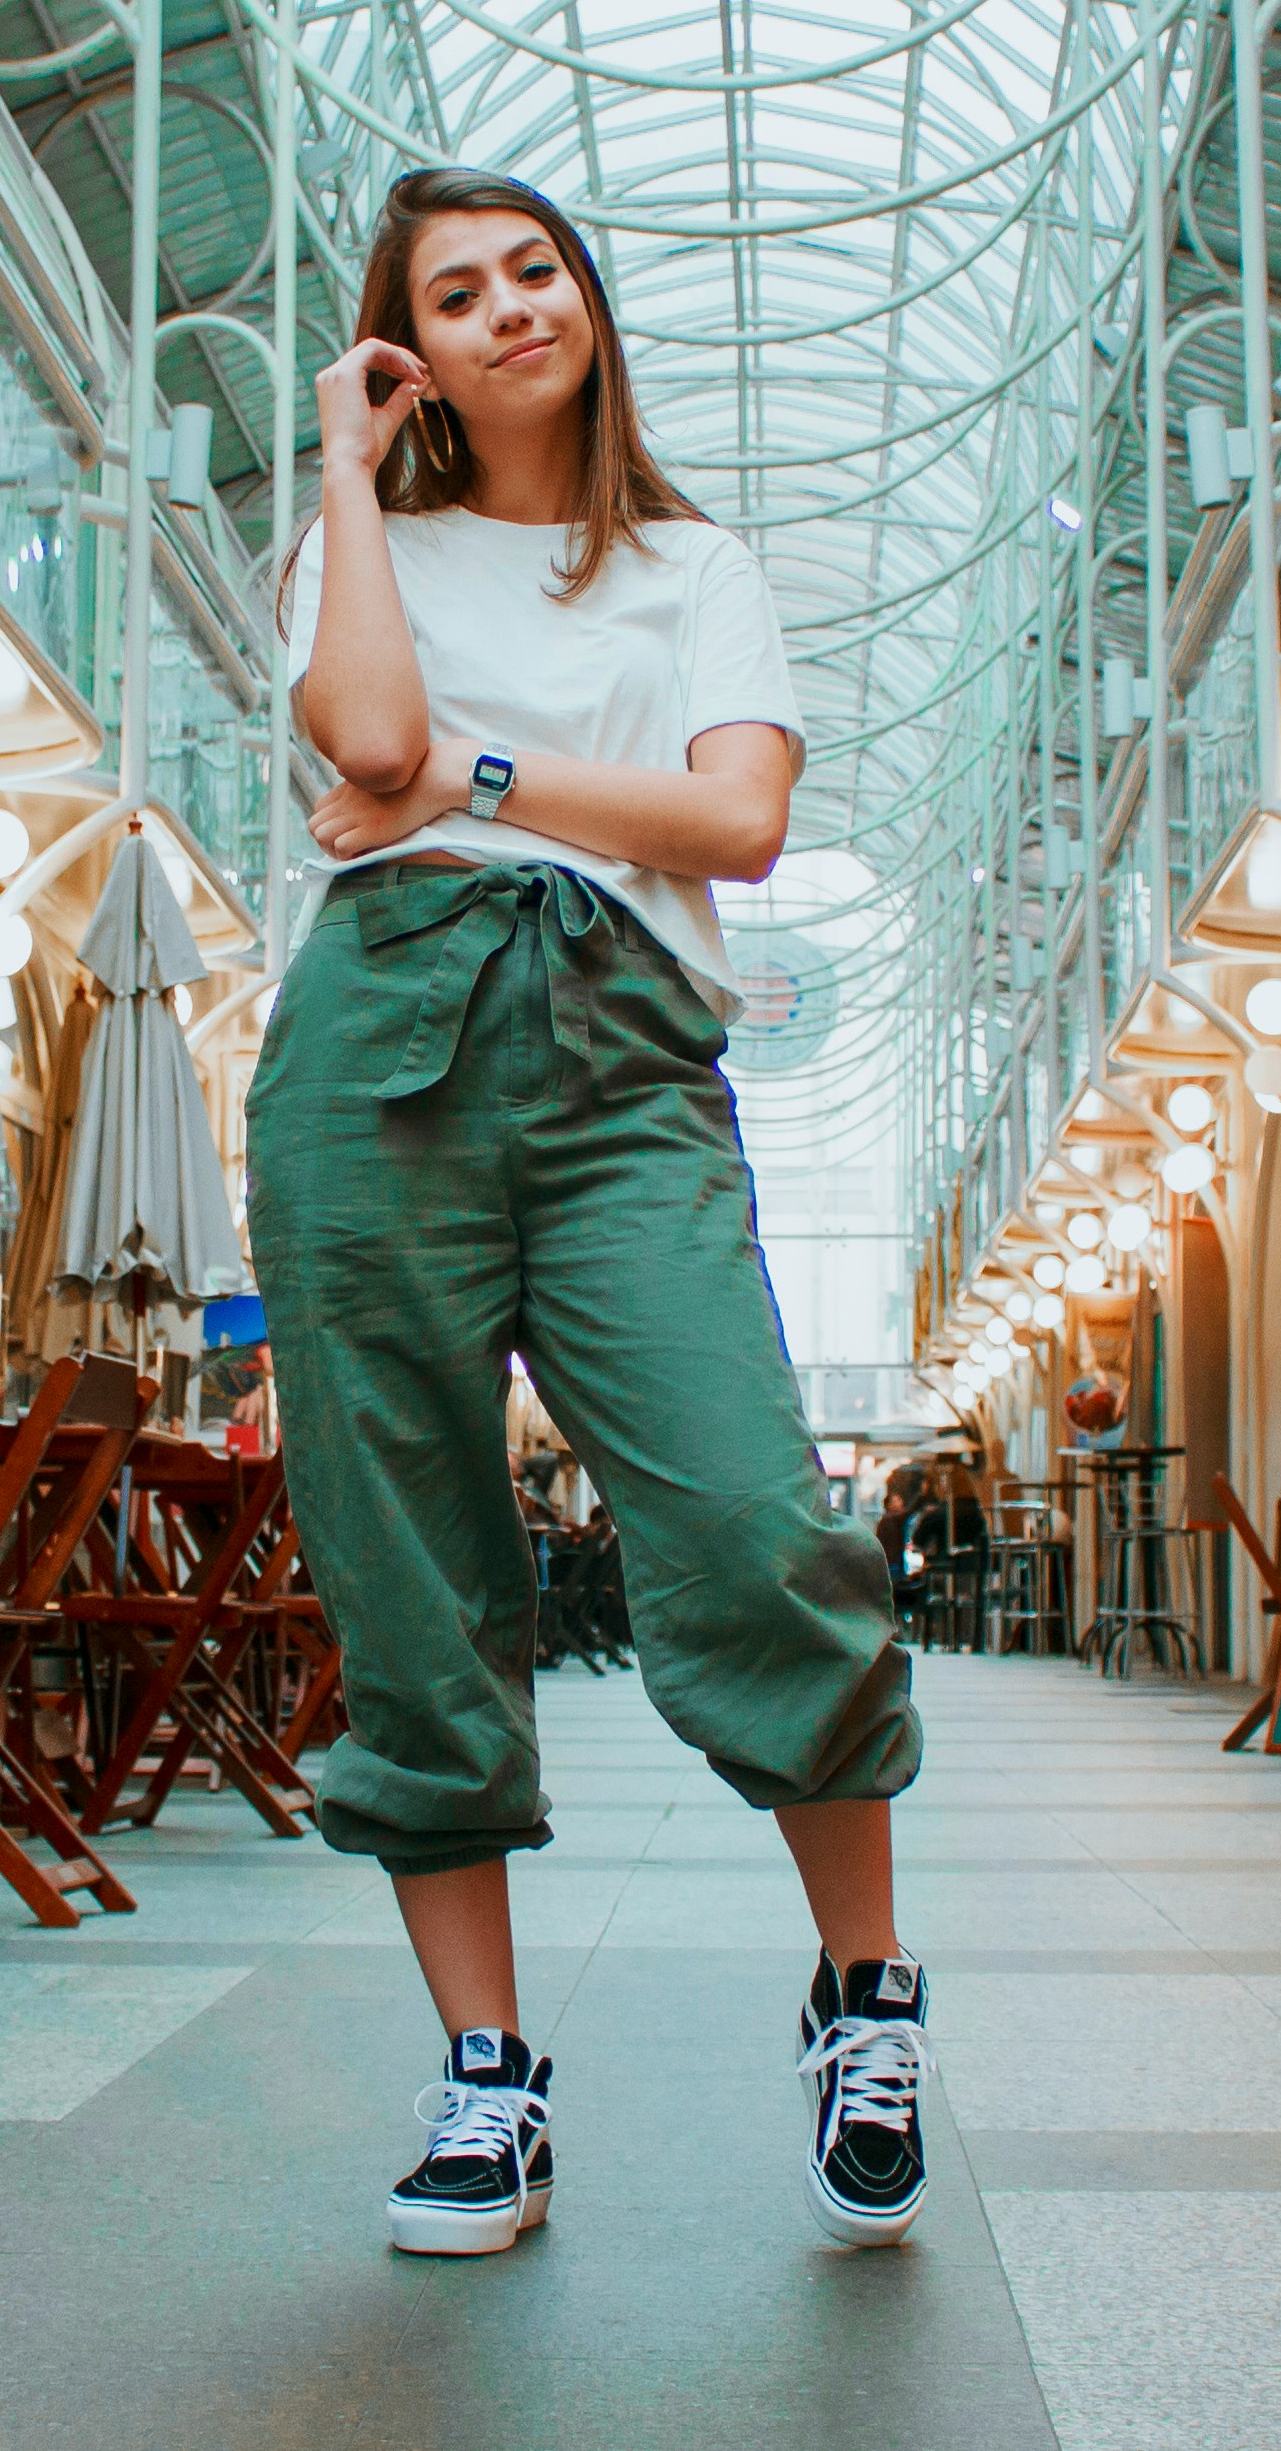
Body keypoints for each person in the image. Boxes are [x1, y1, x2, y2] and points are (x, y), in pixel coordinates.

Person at [253, 165, 926, 2261]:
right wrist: (350, 482)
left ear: (590, 298)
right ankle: (487, 2084)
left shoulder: (699, 565)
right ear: (409, 351)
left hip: (628, 1053)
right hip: (376, 1051)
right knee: (412, 1563)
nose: (509, 308)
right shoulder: (352, 543)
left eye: (534, 269)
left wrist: (473, 781)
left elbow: (739, 820)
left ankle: (867, 1998)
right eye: (453, 295)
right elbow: (357, 728)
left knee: (752, 1518)